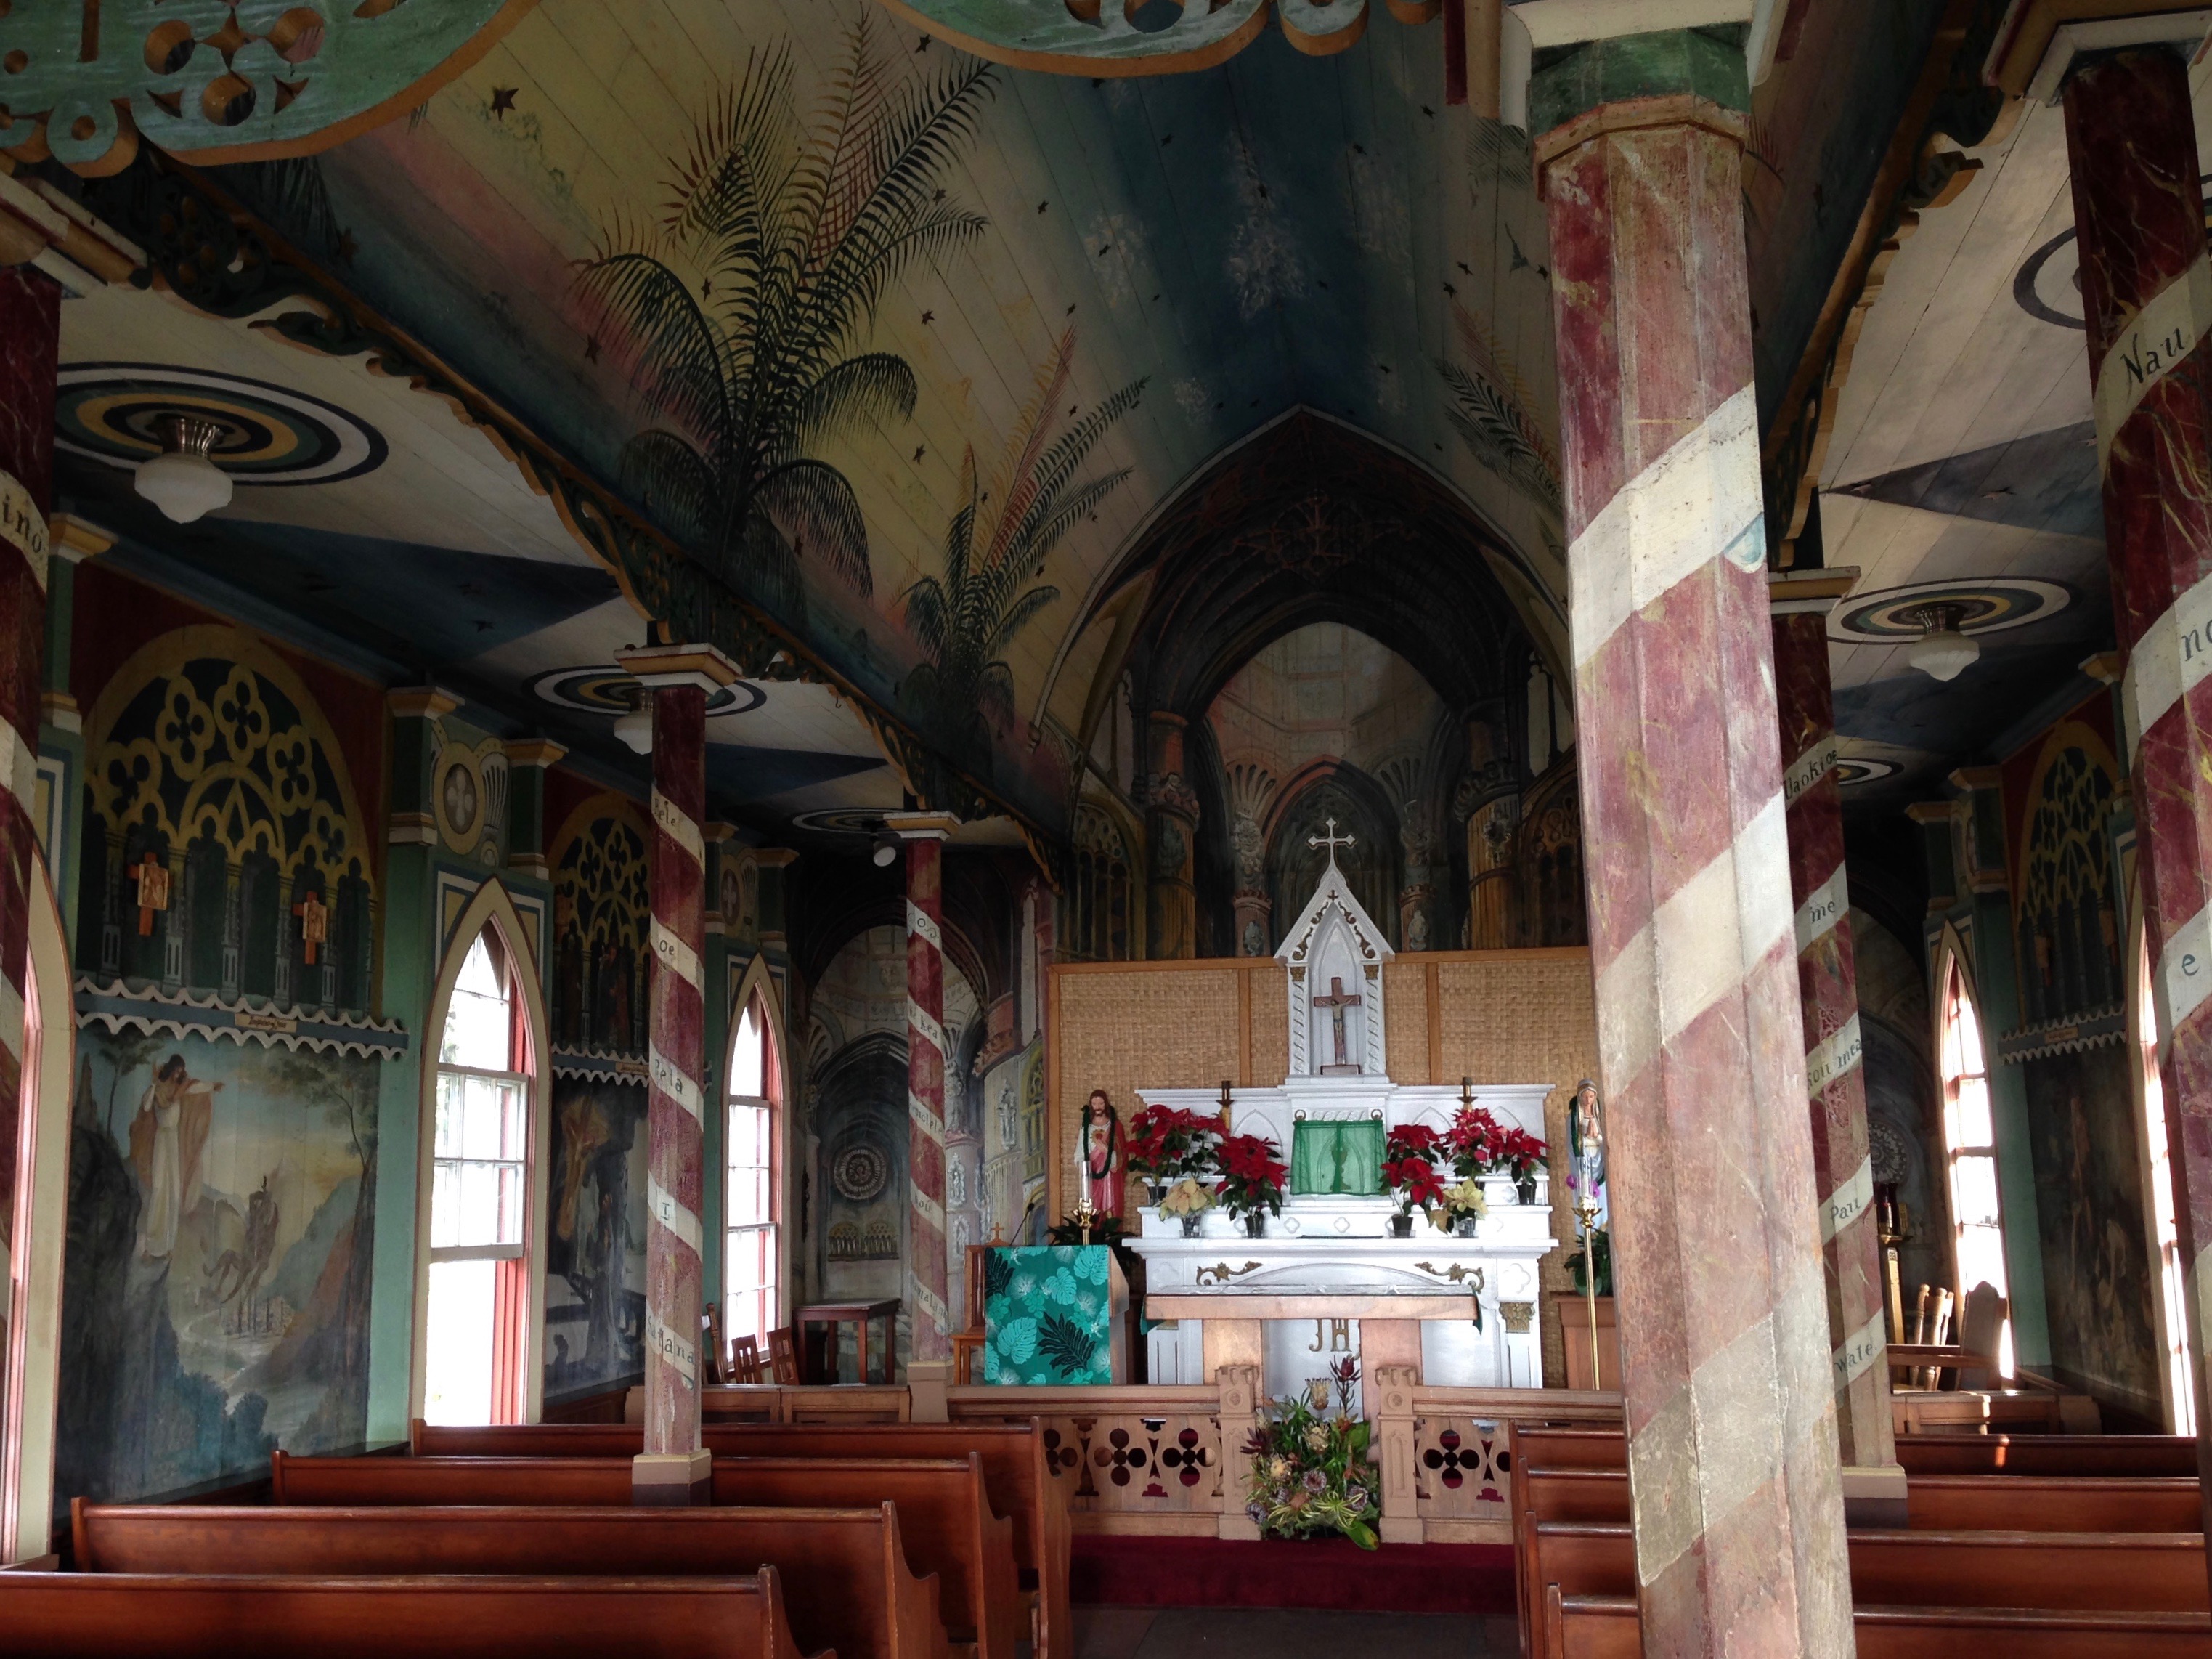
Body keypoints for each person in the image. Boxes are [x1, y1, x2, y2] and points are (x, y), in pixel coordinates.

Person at [130, 1054, 221, 1262]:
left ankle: (168, 1244)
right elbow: (146, 1106)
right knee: (160, 1189)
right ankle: (153, 1246)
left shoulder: (181, 1090)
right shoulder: (160, 1089)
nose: (179, 1074)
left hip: (174, 1143)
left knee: (173, 1193)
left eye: (181, 1071)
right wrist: (154, 1085)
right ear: (170, 1069)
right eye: (177, 1070)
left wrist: (213, 1086)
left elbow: (196, 1087)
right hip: (161, 1141)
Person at [1080, 1088, 1125, 1220]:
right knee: (1094, 1204)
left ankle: (1110, 1230)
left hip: (1110, 1174)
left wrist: (1108, 1152)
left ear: (1106, 1104)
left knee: (1110, 1204)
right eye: (1095, 1104)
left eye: (1101, 1104)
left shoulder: (1115, 1126)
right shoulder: (1086, 1127)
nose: (1098, 1107)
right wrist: (1084, 1168)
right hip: (1092, 1174)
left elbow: (1122, 1152)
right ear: (1091, 1106)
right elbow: (1080, 1152)